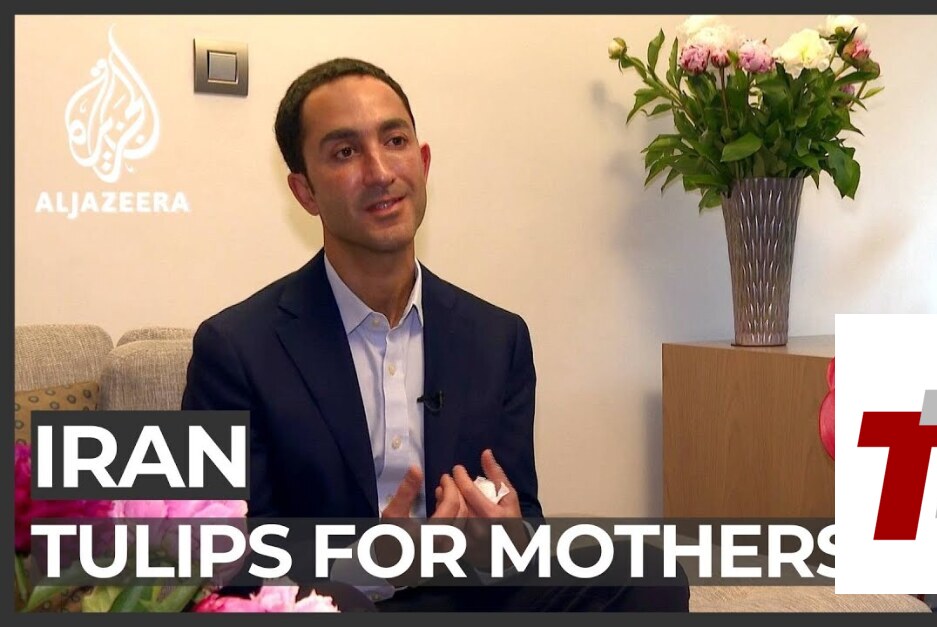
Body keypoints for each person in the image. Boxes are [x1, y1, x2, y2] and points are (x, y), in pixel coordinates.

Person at [181, 57, 689, 612]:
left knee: (648, 572)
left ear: (422, 162)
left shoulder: (497, 337)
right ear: (305, 192)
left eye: (394, 141)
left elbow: (522, 513)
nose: (380, 171)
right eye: (345, 152)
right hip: (338, 601)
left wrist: (506, 539)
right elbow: (219, 557)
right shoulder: (236, 349)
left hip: (468, 595)